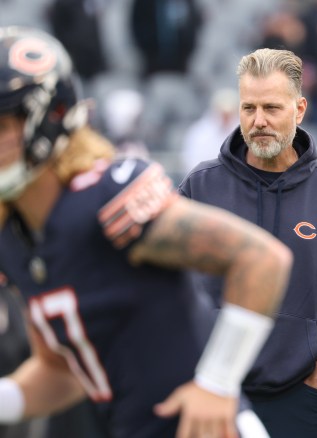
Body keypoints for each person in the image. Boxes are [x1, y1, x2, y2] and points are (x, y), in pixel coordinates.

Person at [0, 26, 293, 438]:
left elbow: (262, 258)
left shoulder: (105, 195)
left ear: (50, 116)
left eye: (2, 124)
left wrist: (217, 383)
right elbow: (63, 372)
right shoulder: (13, 237)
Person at [178, 47, 317, 438]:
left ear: (299, 109)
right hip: (214, 392)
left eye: (271, 108)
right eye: (248, 108)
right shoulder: (199, 187)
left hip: (302, 396)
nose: (258, 122)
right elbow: (168, 284)